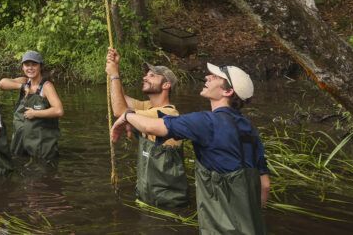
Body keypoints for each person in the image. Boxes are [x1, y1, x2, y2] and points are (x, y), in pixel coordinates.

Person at [111, 64, 270, 235]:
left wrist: (126, 116)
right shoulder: (250, 129)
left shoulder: (204, 122)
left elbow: (152, 127)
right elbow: (265, 185)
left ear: (228, 92)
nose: (207, 77)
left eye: (215, 77)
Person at [106, 47, 188, 208]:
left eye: (152, 75)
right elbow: (120, 99)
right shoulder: (148, 107)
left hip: (167, 201)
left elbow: (120, 111)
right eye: (146, 74)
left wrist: (115, 75)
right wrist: (114, 69)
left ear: (166, 85)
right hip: (151, 196)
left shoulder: (167, 113)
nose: (145, 77)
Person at [0, 50, 63, 161]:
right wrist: (21, 87)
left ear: (40, 66)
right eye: (27, 65)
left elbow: (59, 110)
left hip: (42, 145)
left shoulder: (46, 86)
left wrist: (35, 113)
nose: (30, 68)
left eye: (34, 64)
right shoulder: (25, 81)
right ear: (22, 67)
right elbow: (1, 83)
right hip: (22, 143)